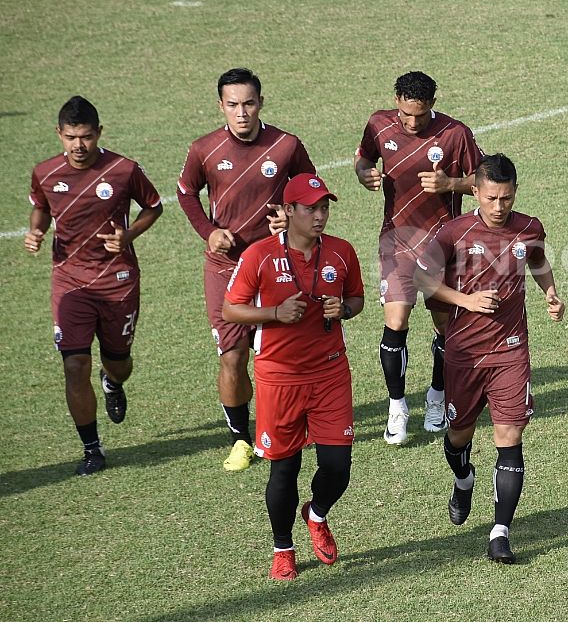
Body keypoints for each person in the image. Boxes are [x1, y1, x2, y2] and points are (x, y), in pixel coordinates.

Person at [415, 154, 565, 563]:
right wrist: (466, 300)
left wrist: (549, 293)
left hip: (511, 351)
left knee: (509, 437)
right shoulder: (453, 232)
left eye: (507, 198)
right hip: (464, 355)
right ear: (475, 192)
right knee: (458, 437)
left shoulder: (529, 227)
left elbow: (538, 262)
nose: (500, 207)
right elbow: (422, 279)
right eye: (492, 198)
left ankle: (500, 532)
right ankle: (463, 481)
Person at [222, 173, 365, 581]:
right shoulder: (260, 256)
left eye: (324, 208)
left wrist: (346, 310)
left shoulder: (341, 253)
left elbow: (355, 298)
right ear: (288, 211)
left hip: (330, 372)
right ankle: (283, 548)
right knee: (284, 470)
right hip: (278, 378)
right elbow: (231, 310)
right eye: (311, 208)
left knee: (338, 466)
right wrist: (273, 314)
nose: (320, 216)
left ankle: (316, 514)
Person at [178, 68, 316, 472]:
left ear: (261, 102)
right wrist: (208, 231)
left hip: (275, 265)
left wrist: (289, 219)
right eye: (233, 104)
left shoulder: (286, 145)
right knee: (233, 356)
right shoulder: (204, 149)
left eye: (249, 103)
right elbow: (186, 193)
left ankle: (286, 426)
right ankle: (240, 438)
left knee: (286, 354)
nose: (242, 112)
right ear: (221, 105)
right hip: (225, 268)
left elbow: (312, 188)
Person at [26, 96, 163, 475]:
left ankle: (112, 382)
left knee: (119, 364)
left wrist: (129, 235)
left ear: (99, 133)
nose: (78, 146)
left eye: (86, 136)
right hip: (70, 283)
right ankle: (92, 448)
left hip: (117, 282)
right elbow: (40, 205)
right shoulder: (45, 173)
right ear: (59, 134)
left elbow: (153, 205)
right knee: (74, 365)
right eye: (70, 137)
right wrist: (37, 230)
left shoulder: (122, 169)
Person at [355, 71, 484, 444]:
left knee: (445, 327)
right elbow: (363, 158)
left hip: (443, 242)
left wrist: (451, 184)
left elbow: (485, 181)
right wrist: (365, 173)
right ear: (397, 99)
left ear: (433, 104)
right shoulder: (379, 124)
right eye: (408, 115)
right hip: (396, 240)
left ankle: (437, 396)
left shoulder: (455, 134)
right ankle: (397, 406)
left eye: (422, 115)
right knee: (395, 321)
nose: (414, 122)